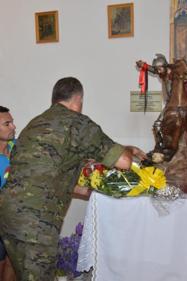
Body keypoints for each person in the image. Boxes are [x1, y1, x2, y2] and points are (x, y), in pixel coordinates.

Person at [0, 77, 146, 281]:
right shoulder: (78, 123)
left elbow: (47, 173)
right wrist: (129, 151)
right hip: (35, 222)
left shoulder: (34, 124)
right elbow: (123, 162)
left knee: (18, 270)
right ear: (78, 100)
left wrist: (86, 190)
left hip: (7, 213)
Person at [0, 106, 16, 281]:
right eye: (7, 124)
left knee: (13, 265)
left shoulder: (18, 148)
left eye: (12, 122)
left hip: (16, 224)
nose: (13, 126)